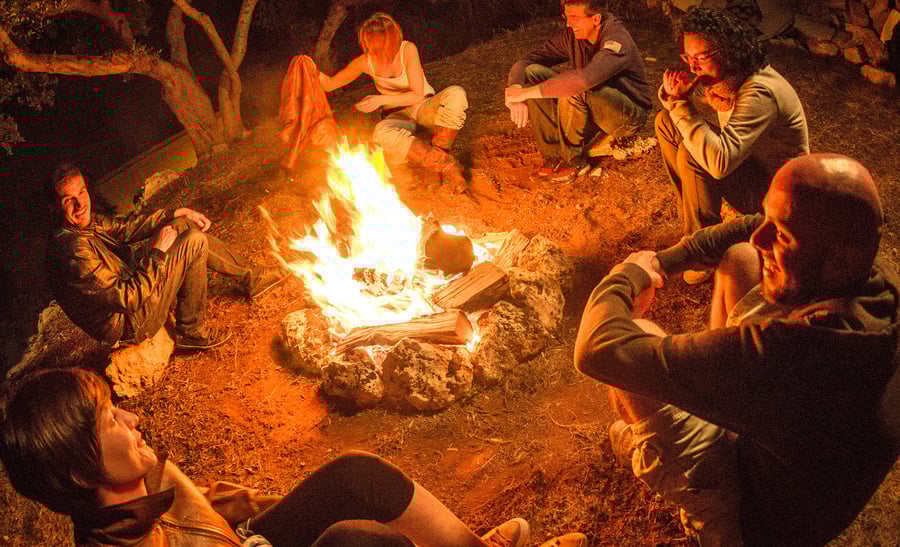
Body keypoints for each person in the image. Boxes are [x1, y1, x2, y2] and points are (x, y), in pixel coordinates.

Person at [574, 153, 900, 545]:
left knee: (636, 340)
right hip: (808, 475)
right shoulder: (874, 279)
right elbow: (748, 229)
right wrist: (661, 262)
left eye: (781, 236)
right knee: (743, 259)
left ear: (838, 263)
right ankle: (720, 420)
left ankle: (709, 519)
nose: (761, 235)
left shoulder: (796, 355)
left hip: (760, 525)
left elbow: (597, 349)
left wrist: (627, 275)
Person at [0, 367, 589, 547]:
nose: (131, 417)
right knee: (358, 543)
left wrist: (256, 519)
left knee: (357, 475)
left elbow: (206, 513)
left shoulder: (145, 472)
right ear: (80, 470)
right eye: (109, 419)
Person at [45, 164, 285, 352]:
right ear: (57, 208)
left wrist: (176, 212)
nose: (80, 204)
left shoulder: (84, 225)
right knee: (194, 241)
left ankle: (250, 278)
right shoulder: (72, 252)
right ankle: (191, 331)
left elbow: (126, 227)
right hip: (127, 323)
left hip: (130, 283)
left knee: (181, 225)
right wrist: (158, 253)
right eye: (69, 200)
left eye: (82, 192)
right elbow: (128, 298)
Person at [656, 7, 809, 284]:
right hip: (754, 167)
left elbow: (720, 163)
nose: (692, 67)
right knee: (666, 122)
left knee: (694, 156)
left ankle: (705, 253)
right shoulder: (726, 83)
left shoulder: (758, 92)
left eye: (701, 57)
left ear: (728, 51)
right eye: (688, 57)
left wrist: (682, 106)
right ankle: (694, 224)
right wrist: (674, 101)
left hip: (781, 195)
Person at [317, 12, 469, 194]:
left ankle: (434, 166)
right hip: (398, 116)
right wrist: (308, 68)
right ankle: (446, 166)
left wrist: (380, 99)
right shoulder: (366, 62)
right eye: (368, 43)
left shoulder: (407, 50)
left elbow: (416, 94)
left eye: (373, 42)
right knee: (381, 132)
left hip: (423, 106)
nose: (371, 48)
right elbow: (330, 84)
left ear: (390, 38)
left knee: (456, 94)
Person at [504, 0, 652, 184]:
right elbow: (526, 62)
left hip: (626, 116)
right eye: (566, 17)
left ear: (596, 19)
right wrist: (516, 89)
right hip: (592, 109)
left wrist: (527, 95)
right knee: (533, 72)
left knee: (575, 87)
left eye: (575, 18)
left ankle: (573, 161)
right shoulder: (572, 36)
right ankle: (553, 154)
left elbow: (585, 79)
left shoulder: (616, 40)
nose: (568, 24)